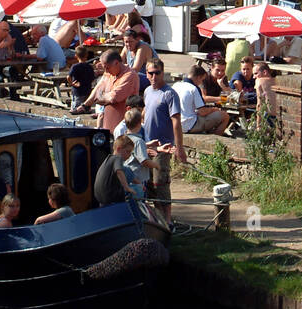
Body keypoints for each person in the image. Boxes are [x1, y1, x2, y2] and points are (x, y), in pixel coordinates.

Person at [142, 59, 187, 223]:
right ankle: (157, 219)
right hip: (148, 146)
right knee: (149, 186)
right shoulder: (147, 91)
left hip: (163, 147)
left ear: (163, 73)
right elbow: (146, 112)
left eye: (157, 73)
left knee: (161, 184)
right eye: (150, 73)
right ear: (146, 74)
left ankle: (167, 221)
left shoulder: (169, 94)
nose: (154, 76)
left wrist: (179, 148)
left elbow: (176, 122)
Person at [78, 49, 138, 132]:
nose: (106, 71)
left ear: (116, 63)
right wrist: (85, 105)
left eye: (107, 68)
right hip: (109, 126)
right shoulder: (109, 73)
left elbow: (113, 97)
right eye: (104, 68)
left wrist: (100, 97)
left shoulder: (130, 76)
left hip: (124, 129)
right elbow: (98, 88)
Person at [175, 64, 229, 134]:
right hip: (189, 125)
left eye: (222, 70)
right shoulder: (194, 88)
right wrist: (214, 109)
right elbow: (202, 111)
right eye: (202, 80)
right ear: (198, 77)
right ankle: (216, 140)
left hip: (175, 123)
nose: (201, 83)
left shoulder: (176, 85)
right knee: (225, 116)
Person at [95, 135, 144, 205]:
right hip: (111, 197)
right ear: (118, 149)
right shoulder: (117, 158)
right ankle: (137, 207)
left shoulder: (109, 159)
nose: (130, 155)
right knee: (138, 189)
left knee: (126, 169)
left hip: (101, 199)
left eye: (131, 152)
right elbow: (119, 171)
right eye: (128, 151)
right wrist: (127, 187)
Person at [67, 44, 96, 113]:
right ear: (87, 56)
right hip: (87, 89)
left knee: (75, 107)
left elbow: (68, 77)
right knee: (86, 105)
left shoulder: (75, 66)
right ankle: (86, 110)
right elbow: (93, 77)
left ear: (76, 56)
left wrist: (71, 83)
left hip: (77, 90)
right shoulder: (89, 67)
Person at [254, 62, 279, 129]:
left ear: (265, 72)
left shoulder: (259, 81)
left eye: (256, 73)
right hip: (281, 117)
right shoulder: (278, 81)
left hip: (269, 116)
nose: (254, 77)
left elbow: (259, 104)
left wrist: (258, 125)